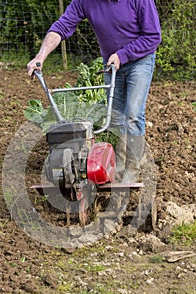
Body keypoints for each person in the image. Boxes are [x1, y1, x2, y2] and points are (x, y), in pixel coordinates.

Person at [27, 0, 161, 183]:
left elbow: (153, 36)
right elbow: (62, 26)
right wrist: (40, 56)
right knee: (115, 118)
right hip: (111, 64)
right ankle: (117, 167)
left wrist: (122, 55)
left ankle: (130, 169)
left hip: (140, 61)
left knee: (133, 115)